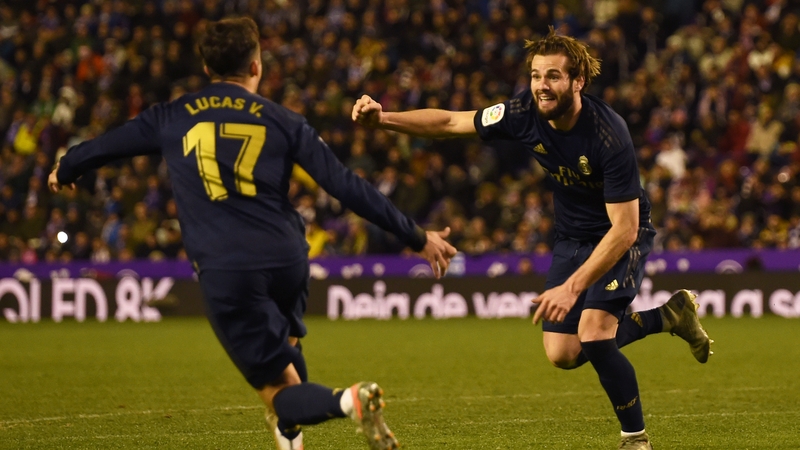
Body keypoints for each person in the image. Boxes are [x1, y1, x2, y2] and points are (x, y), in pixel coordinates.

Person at [49, 17, 457, 450]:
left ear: (206, 68)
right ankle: (292, 442)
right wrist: (417, 236)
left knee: (279, 394)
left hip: (228, 268)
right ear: (257, 66)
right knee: (288, 366)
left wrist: (67, 167)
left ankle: (348, 401)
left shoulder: (171, 116)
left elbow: (105, 145)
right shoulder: (283, 119)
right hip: (288, 259)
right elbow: (345, 186)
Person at [352, 28, 712, 450]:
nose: (543, 85)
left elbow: (625, 228)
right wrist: (385, 118)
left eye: (554, 76)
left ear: (578, 81)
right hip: (572, 237)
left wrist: (572, 286)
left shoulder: (608, 135)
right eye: (537, 75)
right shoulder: (522, 112)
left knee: (595, 335)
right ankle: (668, 317)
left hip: (621, 236)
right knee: (562, 353)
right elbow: (452, 121)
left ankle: (635, 439)